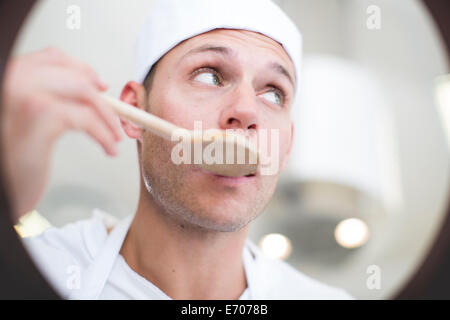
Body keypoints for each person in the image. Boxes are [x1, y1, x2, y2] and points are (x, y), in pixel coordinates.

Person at [1, 0, 352, 299]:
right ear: (135, 112)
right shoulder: (35, 268)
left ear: (286, 145)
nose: (246, 111)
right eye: (209, 75)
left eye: (273, 92)